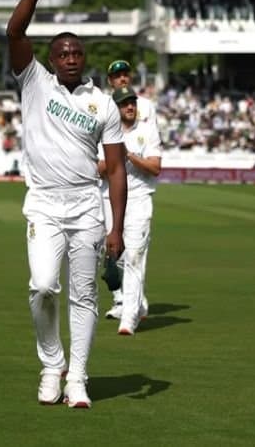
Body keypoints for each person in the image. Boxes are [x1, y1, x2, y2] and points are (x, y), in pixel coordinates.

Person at [6, 0, 127, 410]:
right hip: (43, 202)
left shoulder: (104, 104)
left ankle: (77, 377)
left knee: (83, 295)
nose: (72, 56)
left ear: (84, 57)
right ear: (52, 59)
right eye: (63, 51)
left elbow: (115, 169)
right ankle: (51, 362)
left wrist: (116, 226)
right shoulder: (34, 82)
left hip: (85, 205)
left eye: (77, 51)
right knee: (41, 286)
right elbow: (15, 30)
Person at [100, 60, 159, 320]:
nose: (122, 79)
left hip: (138, 186)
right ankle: (124, 298)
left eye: (125, 74)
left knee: (134, 249)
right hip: (108, 187)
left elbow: (150, 139)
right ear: (110, 80)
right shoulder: (102, 105)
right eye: (117, 76)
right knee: (113, 247)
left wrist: (134, 156)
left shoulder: (145, 107)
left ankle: (131, 301)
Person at [112, 87, 161, 336]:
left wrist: (129, 156)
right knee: (115, 256)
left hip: (140, 199)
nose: (129, 107)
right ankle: (138, 301)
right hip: (111, 200)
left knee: (134, 257)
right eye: (124, 104)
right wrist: (114, 158)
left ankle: (129, 318)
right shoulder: (107, 132)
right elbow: (97, 168)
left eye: (132, 102)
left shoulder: (147, 130)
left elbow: (155, 167)